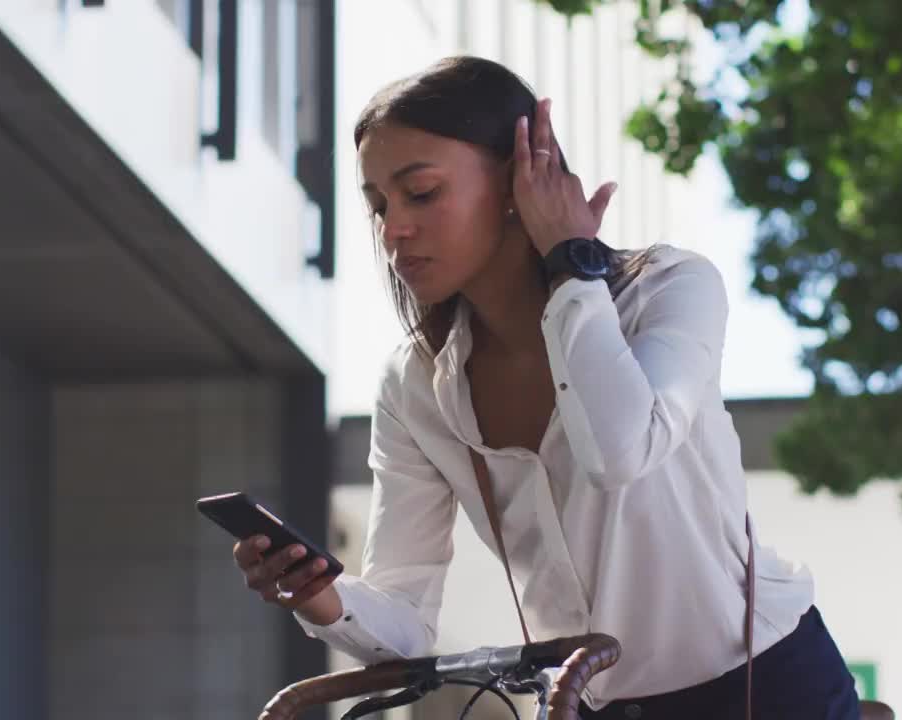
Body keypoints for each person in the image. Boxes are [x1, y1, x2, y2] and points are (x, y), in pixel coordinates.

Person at [232, 55, 861, 719]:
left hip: (767, 690)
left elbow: (620, 450)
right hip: (587, 703)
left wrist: (570, 262)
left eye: (420, 193)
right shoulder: (414, 384)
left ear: (517, 180)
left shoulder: (669, 290)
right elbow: (406, 624)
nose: (394, 230)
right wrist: (319, 596)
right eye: (379, 206)